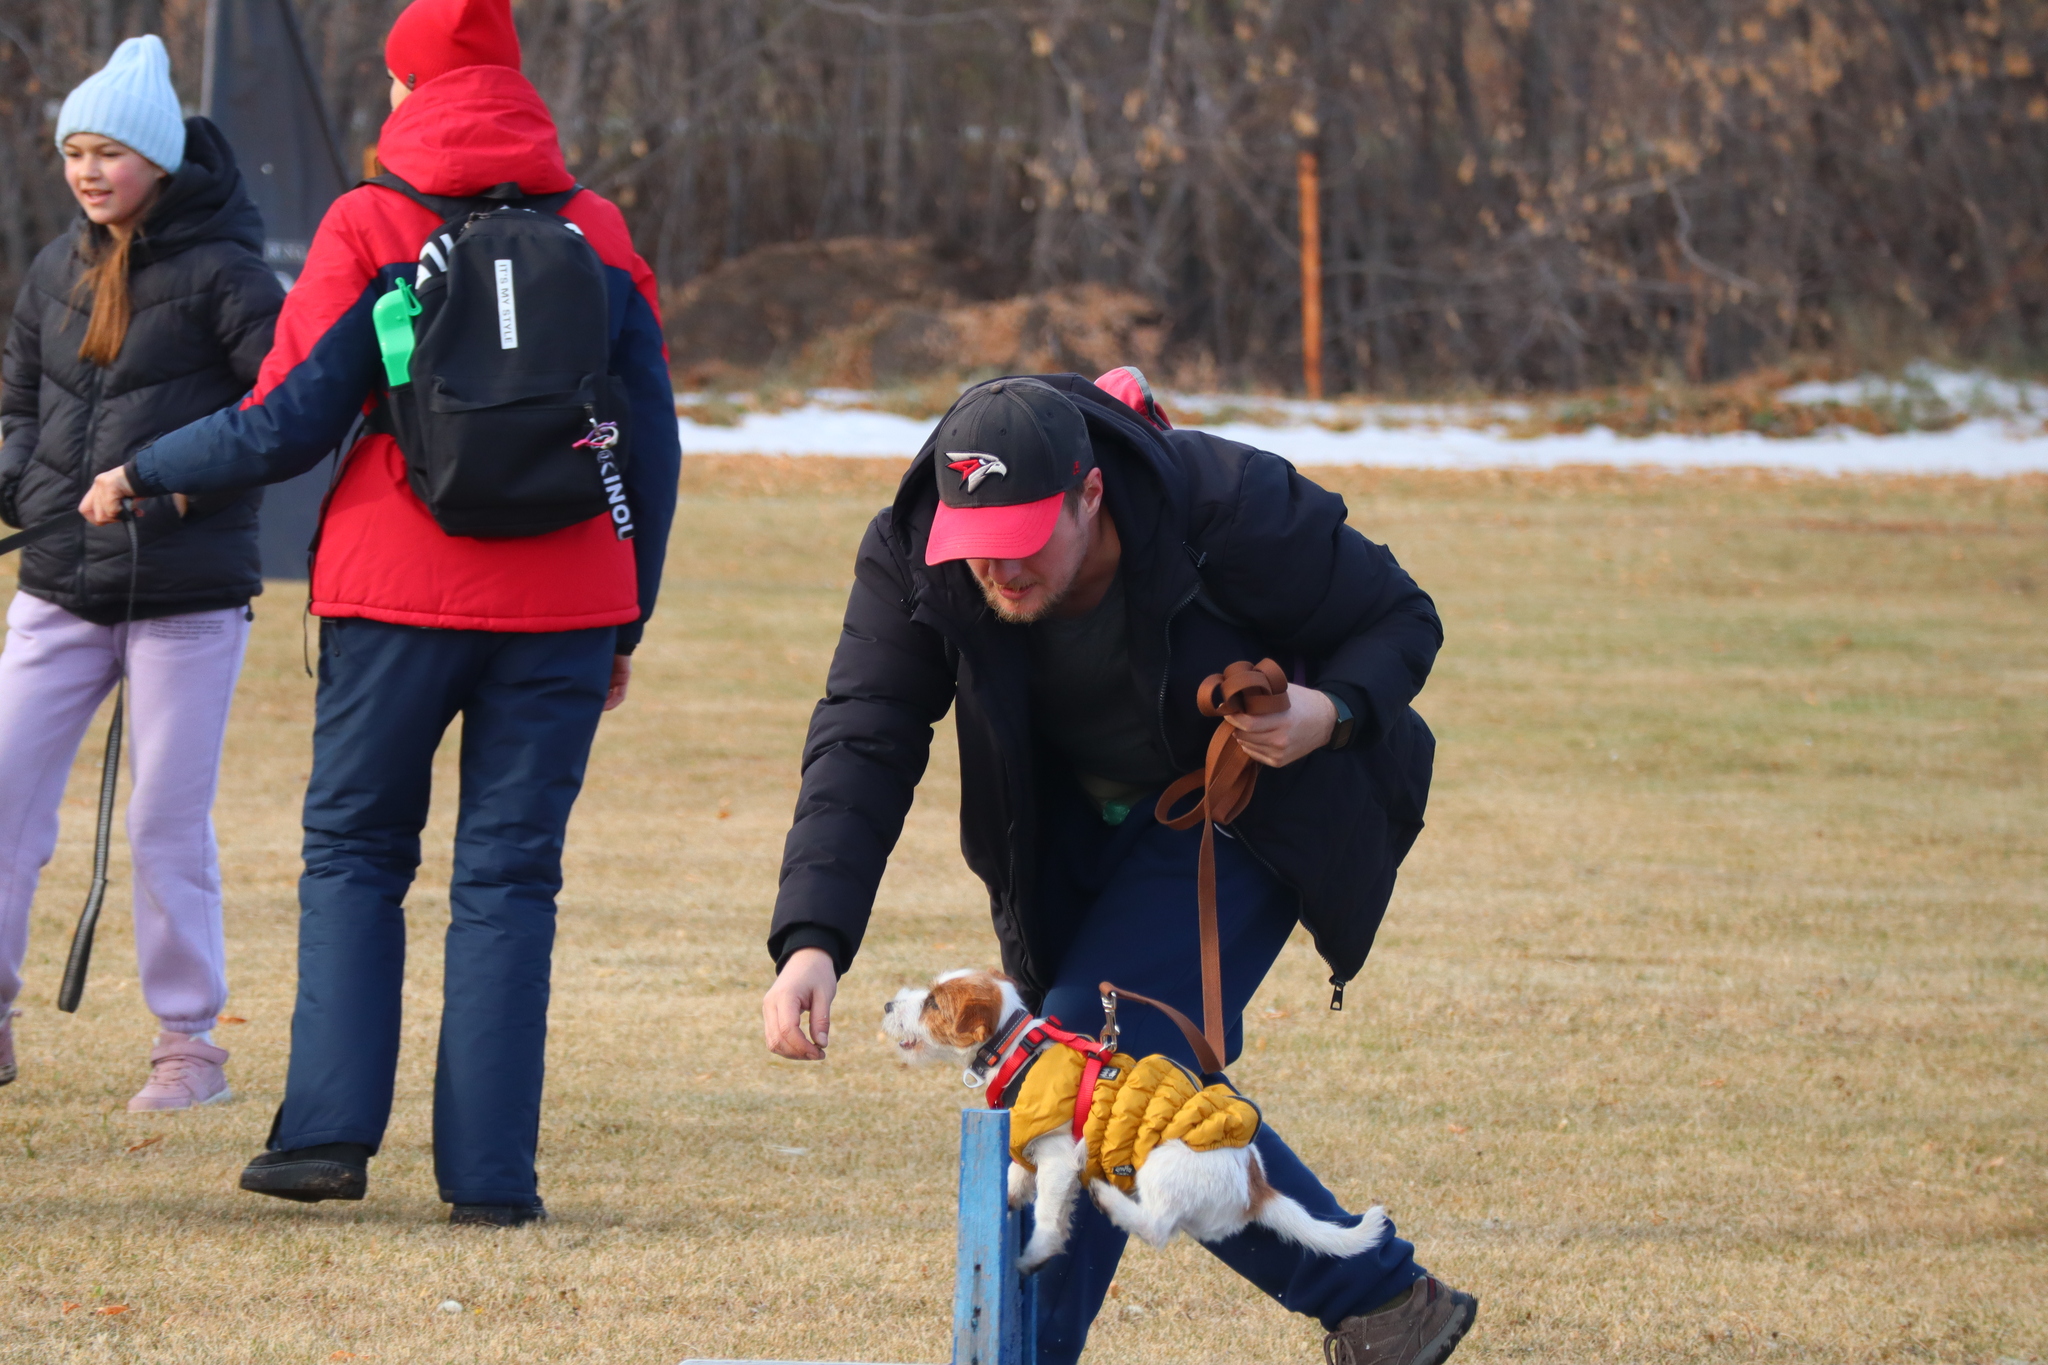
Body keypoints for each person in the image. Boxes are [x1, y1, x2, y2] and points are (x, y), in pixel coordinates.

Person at [79, 0, 680, 1227]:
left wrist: (147, 469)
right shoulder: (600, 232)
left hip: (395, 598)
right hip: (564, 605)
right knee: (509, 883)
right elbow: (653, 446)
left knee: (356, 858)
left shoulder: (373, 224)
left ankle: (326, 1139)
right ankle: (493, 1180)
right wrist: (624, 618)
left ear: (408, 93)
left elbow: (289, 416)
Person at [761, 373, 1473, 1364]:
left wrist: (1330, 711)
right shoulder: (913, 553)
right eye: (976, 549)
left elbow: (1400, 616)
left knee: (1071, 1077)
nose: (997, 572)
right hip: (1072, 835)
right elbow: (863, 739)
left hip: (1247, 804)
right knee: (1091, 1078)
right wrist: (811, 937)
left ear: (1088, 495)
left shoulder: (1222, 502)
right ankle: (1381, 1301)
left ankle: (1019, 1354)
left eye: (1021, 541)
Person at [0, 36, 284, 1109]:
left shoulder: (231, 275)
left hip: (186, 600)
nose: (86, 170)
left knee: (165, 825)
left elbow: (276, 422)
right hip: (56, 591)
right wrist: (20, 483)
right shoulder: (54, 264)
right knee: (3, 806)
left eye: (109, 151)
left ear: (159, 160)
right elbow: (22, 401)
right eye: (74, 149)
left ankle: (187, 1046)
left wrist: (168, 489)